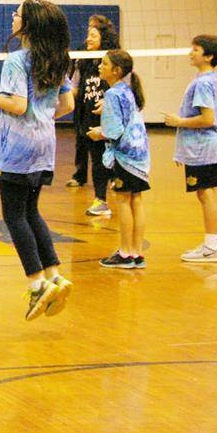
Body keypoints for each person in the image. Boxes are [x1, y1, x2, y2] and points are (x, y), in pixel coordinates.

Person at [0, 0, 74, 321]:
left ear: (29, 23)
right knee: (31, 211)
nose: (13, 17)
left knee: (14, 215)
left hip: (19, 146)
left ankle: (36, 284)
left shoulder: (17, 60)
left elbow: (17, 106)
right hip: (46, 144)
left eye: (17, 14)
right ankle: (55, 276)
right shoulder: (58, 58)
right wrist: (42, 118)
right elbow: (67, 104)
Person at [163, 34, 217, 263]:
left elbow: (208, 119)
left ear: (209, 56)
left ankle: (212, 246)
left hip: (203, 148)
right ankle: (212, 243)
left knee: (206, 193)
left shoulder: (203, 82)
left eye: (196, 49)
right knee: (204, 193)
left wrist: (179, 122)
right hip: (199, 147)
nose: (191, 52)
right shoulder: (206, 78)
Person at [90, 50, 150, 270]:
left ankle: (125, 254)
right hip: (140, 155)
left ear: (116, 71)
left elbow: (113, 131)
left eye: (104, 64)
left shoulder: (113, 94)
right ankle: (137, 253)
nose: (99, 66)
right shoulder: (128, 90)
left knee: (123, 201)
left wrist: (99, 132)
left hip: (125, 157)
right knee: (136, 200)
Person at [73, 21, 120, 220]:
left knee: (108, 157)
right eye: (88, 35)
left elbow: (124, 87)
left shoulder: (113, 61)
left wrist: (109, 105)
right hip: (88, 115)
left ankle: (109, 192)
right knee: (97, 158)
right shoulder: (85, 61)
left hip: (108, 117)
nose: (88, 39)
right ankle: (101, 199)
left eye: (93, 35)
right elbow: (78, 88)